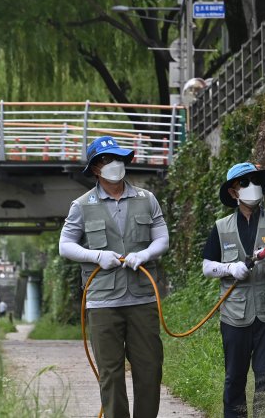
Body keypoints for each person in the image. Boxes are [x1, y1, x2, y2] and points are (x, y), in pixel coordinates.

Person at [58, 135, 169, 418]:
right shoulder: (81, 205)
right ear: (96, 169)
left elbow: (162, 239)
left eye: (118, 159)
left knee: (150, 367)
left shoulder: (147, 199)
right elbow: (65, 245)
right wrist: (97, 256)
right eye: (107, 160)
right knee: (110, 373)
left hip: (142, 297)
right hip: (102, 301)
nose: (114, 165)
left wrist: (144, 255)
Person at [202, 162, 265, 418]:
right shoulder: (221, 227)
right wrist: (230, 269)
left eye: (255, 181)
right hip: (235, 315)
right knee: (234, 378)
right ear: (233, 192)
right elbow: (207, 266)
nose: (251, 187)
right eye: (244, 183)